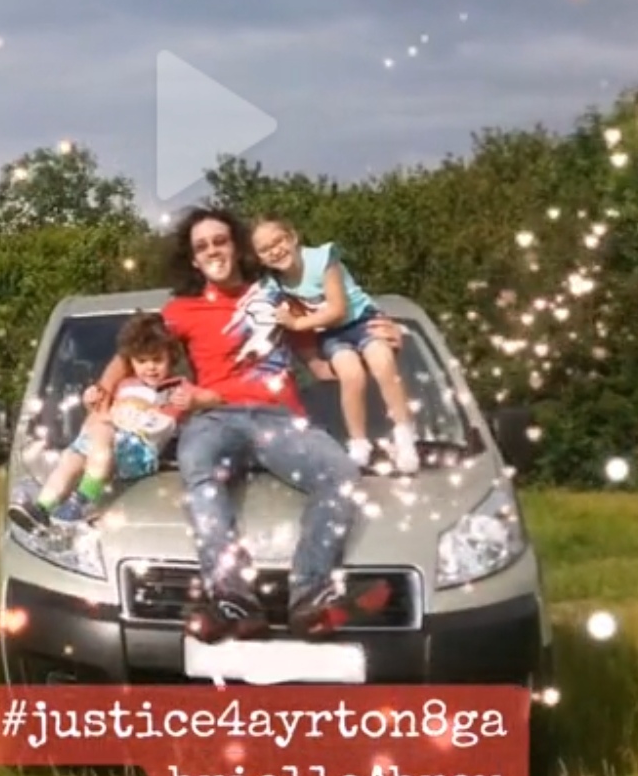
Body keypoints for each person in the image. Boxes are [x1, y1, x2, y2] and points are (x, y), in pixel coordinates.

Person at [91, 206, 403, 643]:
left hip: (280, 419)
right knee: (198, 470)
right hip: (215, 416)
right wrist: (101, 390)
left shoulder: (275, 296)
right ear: (194, 260)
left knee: (341, 473)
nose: (212, 250)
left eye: (220, 240)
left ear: (235, 246)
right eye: (202, 246)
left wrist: (379, 340)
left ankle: (310, 599)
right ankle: (233, 600)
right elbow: (133, 353)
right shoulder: (182, 310)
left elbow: (325, 356)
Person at [251, 217, 419, 476]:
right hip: (332, 334)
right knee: (351, 375)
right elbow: (257, 307)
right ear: (259, 258)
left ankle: (404, 434)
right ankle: (359, 443)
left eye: (279, 241)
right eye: (265, 249)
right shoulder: (274, 283)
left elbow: (338, 309)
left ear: (293, 237)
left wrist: (296, 324)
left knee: (382, 362)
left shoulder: (323, 259)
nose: (275, 250)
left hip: (362, 319)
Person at [8, 312, 184, 531]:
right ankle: (43, 507)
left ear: (172, 358)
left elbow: (166, 423)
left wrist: (118, 418)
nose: (150, 367)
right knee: (70, 458)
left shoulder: (174, 389)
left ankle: (82, 500)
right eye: (141, 361)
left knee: (101, 431)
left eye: (157, 360)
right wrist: (91, 399)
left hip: (137, 451)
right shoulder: (125, 384)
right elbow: (100, 409)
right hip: (110, 445)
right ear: (130, 361)